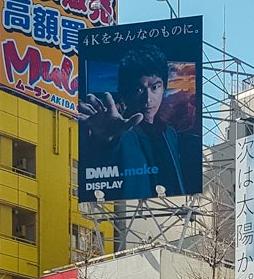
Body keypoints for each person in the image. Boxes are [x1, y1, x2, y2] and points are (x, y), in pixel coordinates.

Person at [77, 45, 193, 198]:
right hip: (128, 216)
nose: (147, 98)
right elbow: (100, 161)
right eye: (138, 89)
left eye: (155, 87)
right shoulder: (118, 132)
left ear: (164, 87)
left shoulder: (170, 134)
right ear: (123, 92)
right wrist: (104, 140)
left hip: (171, 215)